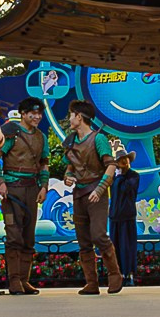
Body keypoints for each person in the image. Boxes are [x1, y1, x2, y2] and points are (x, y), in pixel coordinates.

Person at [63, 100, 120, 295]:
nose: (69, 119)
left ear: (79, 117)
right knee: (83, 240)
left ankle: (115, 275)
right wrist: (69, 177)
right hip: (79, 194)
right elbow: (70, 167)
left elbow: (111, 165)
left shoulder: (98, 139)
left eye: (71, 115)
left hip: (96, 192)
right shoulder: (70, 141)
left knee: (98, 234)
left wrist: (100, 188)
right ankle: (91, 283)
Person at [0, 96, 49, 294]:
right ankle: (14, 281)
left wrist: (44, 186)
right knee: (13, 235)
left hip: (32, 189)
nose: (36, 117)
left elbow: (44, 163)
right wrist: (0, 182)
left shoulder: (41, 137)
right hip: (12, 190)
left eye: (39, 113)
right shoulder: (11, 133)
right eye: (32, 113)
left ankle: (25, 280)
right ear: (23, 114)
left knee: (28, 237)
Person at [107, 141, 142, 293]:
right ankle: (118, 274)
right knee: (115, 247)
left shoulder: (133, 176)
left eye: (126, 160)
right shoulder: (114, 178)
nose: (124, 163)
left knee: (128, 246)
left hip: (127, 216)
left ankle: (130, 274)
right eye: (121, 160)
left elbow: (128, 189)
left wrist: (120, 176)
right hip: (115, 216)